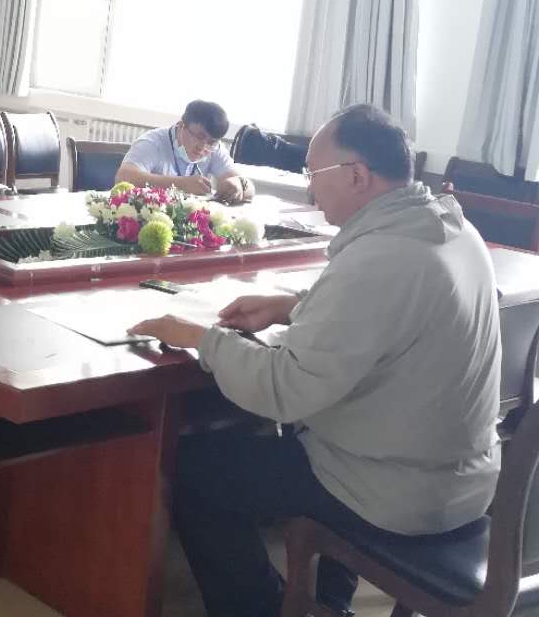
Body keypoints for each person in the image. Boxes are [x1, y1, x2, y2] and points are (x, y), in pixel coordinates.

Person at [130, 105, 500, 617]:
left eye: (313, 173)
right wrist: (293, 306)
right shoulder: (451, 231)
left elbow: (282, 390)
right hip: (459, 480)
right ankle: (330, 602)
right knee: (292, 436)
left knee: (193, 469)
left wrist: (199, 338)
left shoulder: (381, 257)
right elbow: (390, 315)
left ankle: (261, 608)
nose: (309, 190)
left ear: (356, 175)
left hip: (393, 490)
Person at [116, 100, 252, 201]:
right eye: (199, 137)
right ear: (181, 126)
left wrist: (239, 185)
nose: (203, 147)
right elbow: (123, 177)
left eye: (211, 142)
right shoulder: (153, 142)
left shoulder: (215, 148)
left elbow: (250, 188)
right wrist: (179, 184)